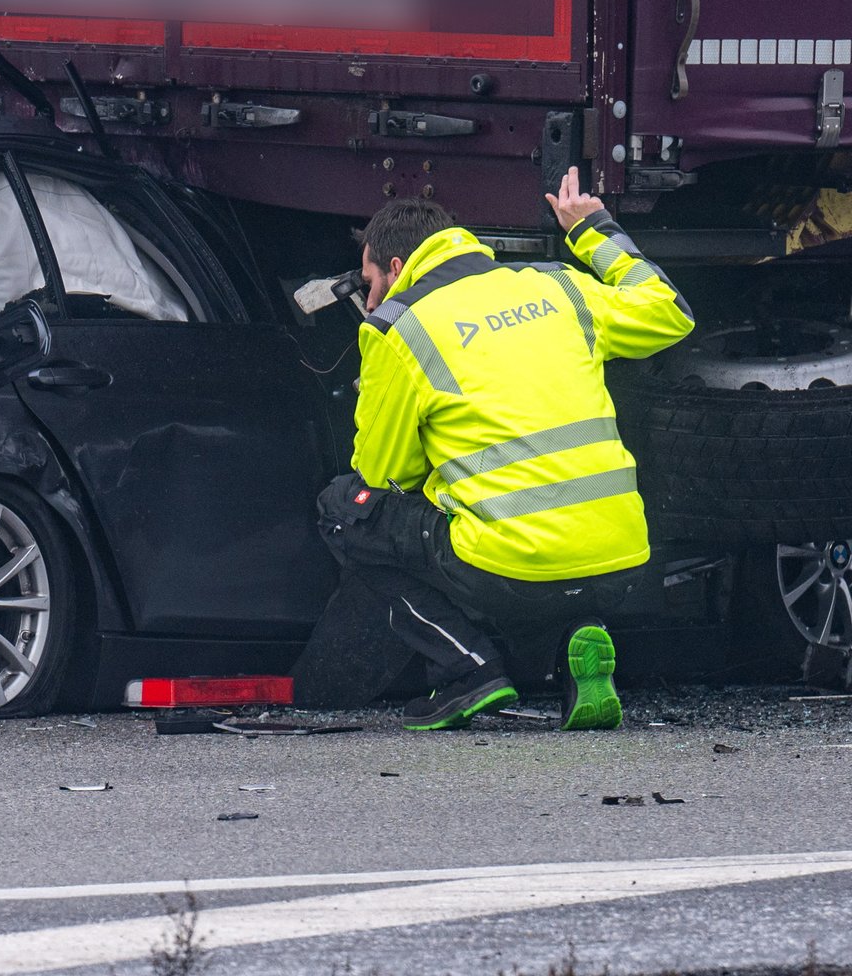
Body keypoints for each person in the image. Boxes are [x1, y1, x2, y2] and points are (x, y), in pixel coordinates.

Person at [295, 169, 695, 731]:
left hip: (511, 565)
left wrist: (392, 403)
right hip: (621, 561)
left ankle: (468, 670)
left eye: (370, 283)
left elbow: (384, 474)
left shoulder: (398, 329)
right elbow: (670, 311)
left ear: (394, 268)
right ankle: (578, 639)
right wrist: (591, 228)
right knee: (528, 527)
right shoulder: (558, 285)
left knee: (349, 511)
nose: (372, 298)